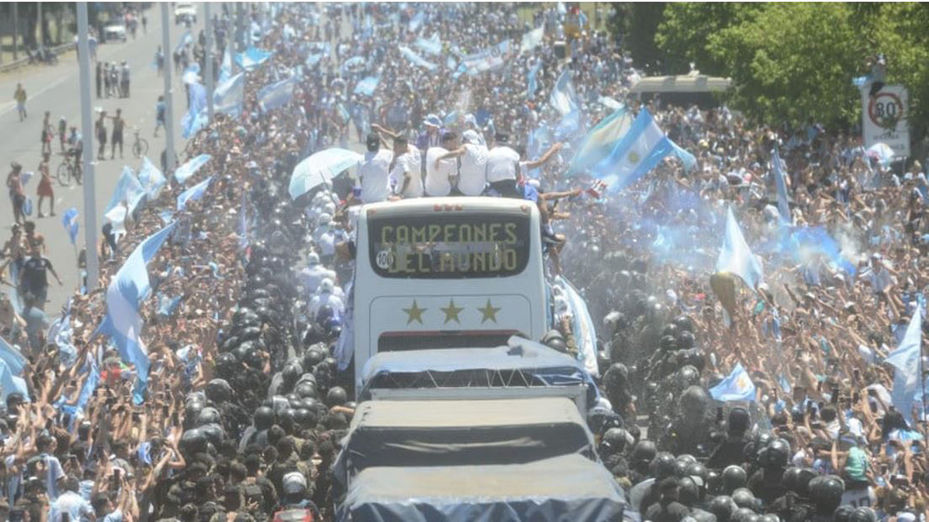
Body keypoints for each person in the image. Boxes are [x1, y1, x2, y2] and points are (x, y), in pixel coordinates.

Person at [19, 243, 62, 310]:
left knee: (41, 304)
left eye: (37, 248)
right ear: (32, 250)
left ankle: (41, 314)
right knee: (33, 304)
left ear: (40, 249)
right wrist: (20, 284)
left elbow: (52, 270)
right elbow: (21, 273)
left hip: (43, 286)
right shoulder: (28, 261)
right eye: (34, 249)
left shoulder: (45, 260)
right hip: (32, 286)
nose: (36, 250)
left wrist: (58, 279)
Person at [357, 132, 393, 203]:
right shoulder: (387, 154)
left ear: (367, 144)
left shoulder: (361, 160)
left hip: (367, 199)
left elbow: (361, 181)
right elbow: (396, 151)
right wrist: (382, 139)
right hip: (385, 198)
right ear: (379, 143)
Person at [36, 152, 54, 217]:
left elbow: (39, 169)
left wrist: (50, 176)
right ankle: (51, 211)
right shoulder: (44, 164)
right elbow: (43, 172)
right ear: (46, 157)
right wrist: (48, 178)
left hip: (43, 181)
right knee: (51, 196)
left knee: (41, 197)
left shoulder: (42, 163)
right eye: (48, 156)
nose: (49, 158)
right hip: (45, 182)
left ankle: (39, 212)